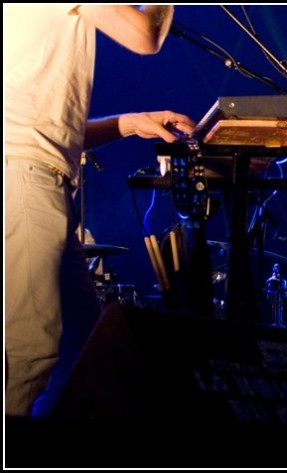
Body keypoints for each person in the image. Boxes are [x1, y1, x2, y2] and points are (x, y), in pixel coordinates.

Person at [5, 5, 196, 418]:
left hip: (33, 176)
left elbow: (47, 125)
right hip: (25, 177)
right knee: (28, 352)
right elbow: (146, 35)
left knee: (86, 353)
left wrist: (128, 123)